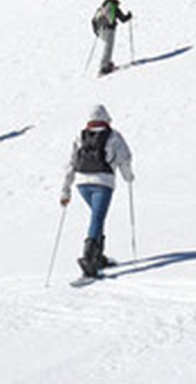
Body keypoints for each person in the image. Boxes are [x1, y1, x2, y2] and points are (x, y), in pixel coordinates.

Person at [60, 104, 134, 280]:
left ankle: (98, 257)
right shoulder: (114, 136)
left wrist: (66, 190)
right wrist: (128, 177)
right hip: (103, 183)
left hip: (82, 184)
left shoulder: (80, 136)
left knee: (97, 217)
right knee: (97, 218)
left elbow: (71, 163)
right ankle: (89, 260)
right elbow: (124, 159)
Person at [91, 0, 132, 77]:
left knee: (107, 46)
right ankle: (104, 67)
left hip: (100, 30)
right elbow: (123, 19)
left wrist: (96, 32)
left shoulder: (101, 9)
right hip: (109, 29)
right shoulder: (114, 7)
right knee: (108, 47)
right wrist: (129, 16)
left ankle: (107, 63)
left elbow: (93, 21)